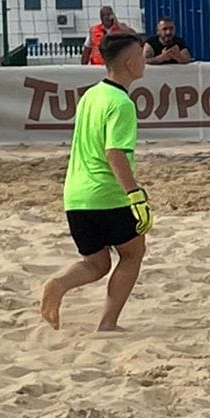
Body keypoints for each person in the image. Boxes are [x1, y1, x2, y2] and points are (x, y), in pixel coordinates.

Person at [39, 29, 151, 334]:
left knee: (97, 263)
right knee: (133, 253)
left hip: (76, 195)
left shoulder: (92, 94)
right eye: (142, 55)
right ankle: (107, 323)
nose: (146, 60)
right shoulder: (122, 103)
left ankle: (58, 284)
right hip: (107, 195)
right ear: (130, 64)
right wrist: (135, 195)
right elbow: (114, 153)